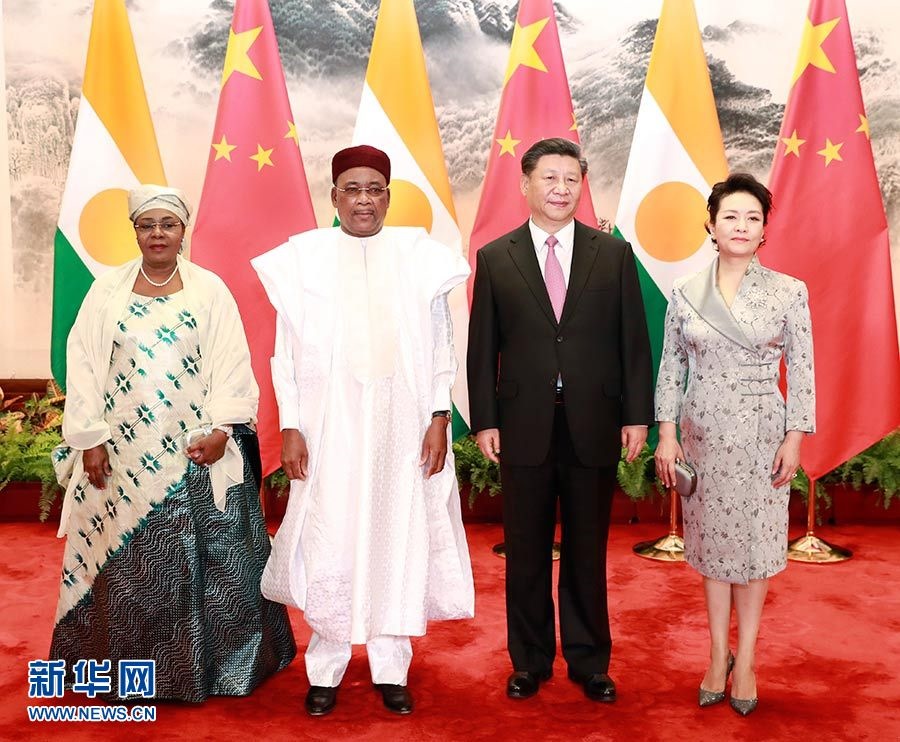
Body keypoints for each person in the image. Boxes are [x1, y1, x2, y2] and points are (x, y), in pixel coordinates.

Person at [251, 145, 474, 717]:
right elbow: (283, 354)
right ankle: (325, 668)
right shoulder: (304, 258)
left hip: (403, 427)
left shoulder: (417, 256)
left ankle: (390, 666)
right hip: (330, 428)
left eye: (375, 189)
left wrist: (439, 416)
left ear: (388, 197)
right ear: (334, 196)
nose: (364, 199)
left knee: (395, 537)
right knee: (331, 537)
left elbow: (442, 346)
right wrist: (292, 425)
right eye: (352, 189)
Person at [50, 185, 296, 702]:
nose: (157, 233)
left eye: (168, 224)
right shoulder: (107, 292)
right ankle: (122, 669)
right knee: (125, 564)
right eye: (147, 224)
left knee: (217, 561)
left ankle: (216, 670)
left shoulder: (209, 290)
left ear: (183, 230)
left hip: (195, 453)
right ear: (134, 230)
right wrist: (90, 438)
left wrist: (222, 430)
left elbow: (232, 363)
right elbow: (85, 365)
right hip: (120, 457)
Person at [467, 137, 653, 703]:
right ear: (526, 184)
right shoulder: (495, 257)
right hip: (522, 424)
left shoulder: (612, 254)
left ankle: (589, 660)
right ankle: (529, 661)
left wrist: (637, 416)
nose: (561, 189)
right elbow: (482, 349)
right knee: (525, 551)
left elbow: (633, 343)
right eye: (549, 178)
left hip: (593, 422)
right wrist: (485, 420)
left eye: (571, 179)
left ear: (581, 186)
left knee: (586, 549)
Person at [654, 173, 815, 716]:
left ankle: (745, 660)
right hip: (703, 435)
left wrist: (795, 436)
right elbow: (672, 366)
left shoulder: (789, 291)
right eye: (731, 217)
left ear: (765, 229)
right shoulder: (685, 292)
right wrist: (667, 433)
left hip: (764, 435)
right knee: (713, 549)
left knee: (756, 548)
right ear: (711, 225)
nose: (741, 226)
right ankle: (715, 654)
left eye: (753, 218)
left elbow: (804, 371)